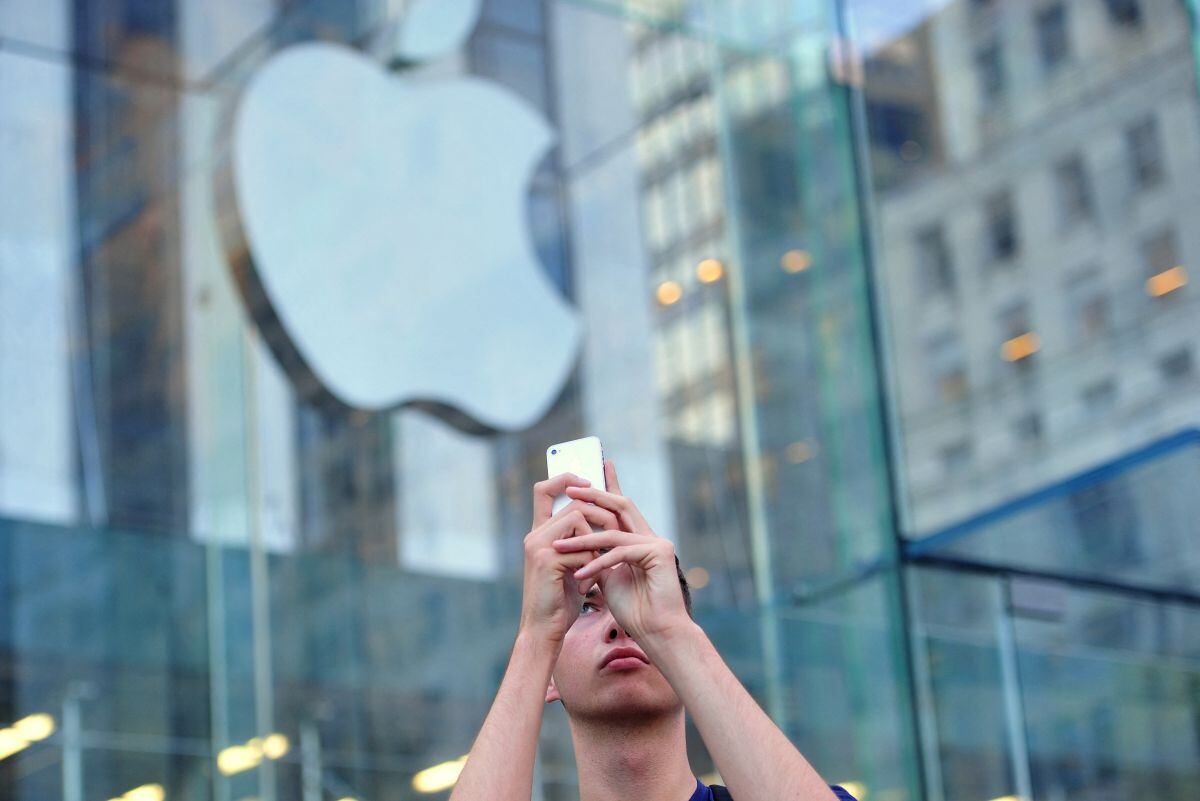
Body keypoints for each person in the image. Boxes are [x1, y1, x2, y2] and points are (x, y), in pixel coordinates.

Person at [449, 460, 858, 801]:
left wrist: (668, 631)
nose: (620, 624)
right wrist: (536, 638)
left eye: (636, 601)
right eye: (586, 606)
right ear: (549, 676)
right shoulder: (541, 647)